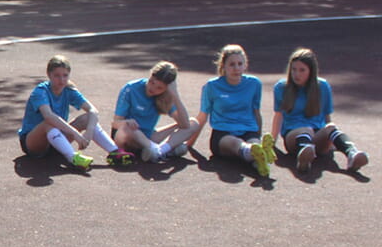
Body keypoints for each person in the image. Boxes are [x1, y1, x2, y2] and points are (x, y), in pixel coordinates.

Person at [270, 48, 368, 173]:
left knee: (331, 127)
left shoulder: (322, 86)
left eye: (302, 70)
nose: (296, 74)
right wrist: (272, 142)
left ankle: (352, 154)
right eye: (294, 69)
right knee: (305, 130)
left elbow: (327, 117)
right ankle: (304, 155)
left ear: (311, 71)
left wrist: (330, 139)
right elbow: (278, 116)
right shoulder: (281, 87)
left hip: (317, 135)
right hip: (293, 136)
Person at [18, 54, 123, 170]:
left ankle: (115, 152)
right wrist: (75, 134)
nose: (61, 80)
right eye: (57, 76)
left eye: (65, 75)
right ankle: (73, 158)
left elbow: (93, 111)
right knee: (48, 123)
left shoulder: (69, 90)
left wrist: (89, 132)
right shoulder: (40, 92)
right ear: (49, 75)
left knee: (88, 118)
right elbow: (48, 116)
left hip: (56, 139)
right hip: (34, 143)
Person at [196, 44, 276, 178]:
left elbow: (256, 112)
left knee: (253, 143)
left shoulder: (254, 84)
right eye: (232, 64)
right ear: (223, 66)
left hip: (248, 129)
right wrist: (189, 144)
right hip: (223, 133)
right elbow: (203, 115)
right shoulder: (212, 86)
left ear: (245, 65)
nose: (236, 68)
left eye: (240, 64)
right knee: (235, 143)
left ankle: (259, 159)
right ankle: (255, 154)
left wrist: (258, 135)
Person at [111, 61, 201, 163]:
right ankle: (162, 151)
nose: (152, 88)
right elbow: (115, 123)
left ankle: (160, 151)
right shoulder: (130, 89)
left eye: (159, 88)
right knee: (128, 128)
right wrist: (127, 122)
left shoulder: (166, 96)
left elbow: (185, 125)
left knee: (193, 123)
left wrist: (175, 95)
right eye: (152, 82)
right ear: (150, 75)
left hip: (149, 137)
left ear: (167, 88)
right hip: (127, 137)